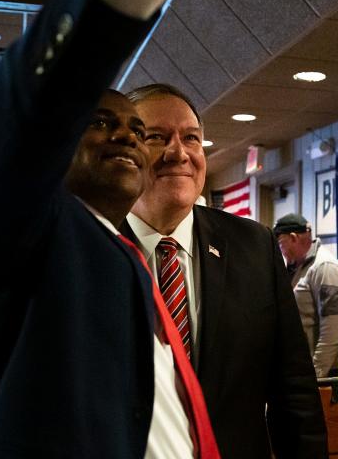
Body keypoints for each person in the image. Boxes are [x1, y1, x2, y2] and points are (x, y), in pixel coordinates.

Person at [0, 0, 330, 457]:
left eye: (137, 131)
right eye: (103, 122)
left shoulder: (130, 250)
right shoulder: (26, 232)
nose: (127, 135)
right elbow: (16, 130)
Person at [126, 84, 327, 458]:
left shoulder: (254, 246)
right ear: (125, 151)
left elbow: (294, 390)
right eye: (156, 137)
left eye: (191, 138)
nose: (178, 152)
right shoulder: (84, 249)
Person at [274, 213, 338, 378]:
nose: (280, 251)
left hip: (320, 372)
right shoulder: (299, 267)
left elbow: (333, 328)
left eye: (281, 244)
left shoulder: (325, 268)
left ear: (293, 238)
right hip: (300, 368)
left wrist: (316, 375)